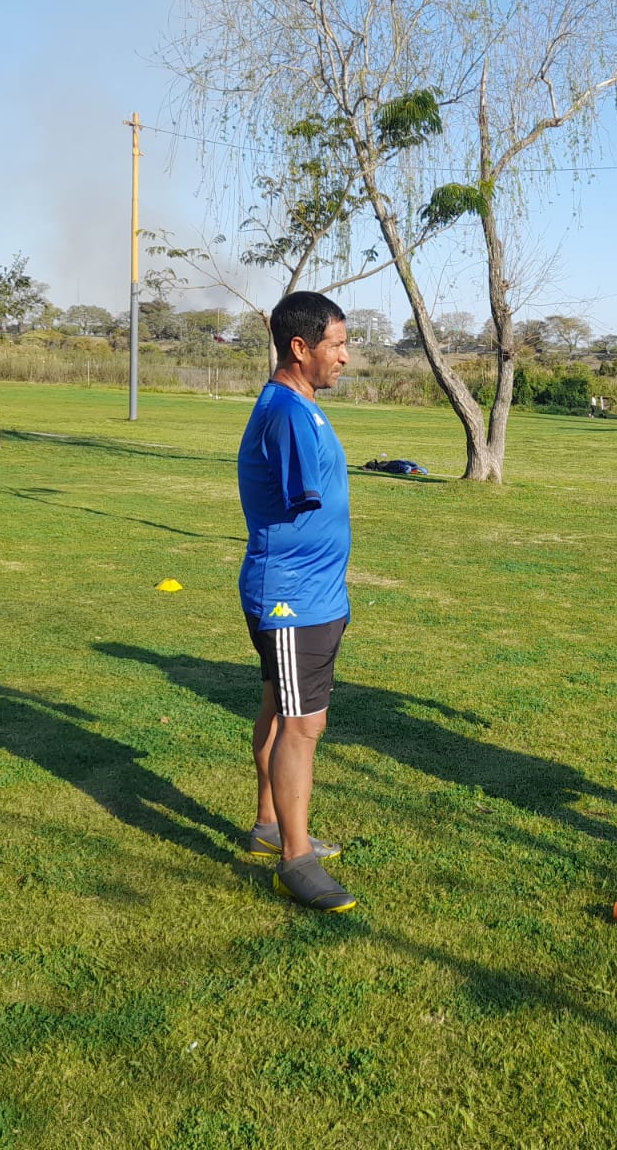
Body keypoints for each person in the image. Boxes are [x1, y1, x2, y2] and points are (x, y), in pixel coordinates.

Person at [237, 290, 356, 912]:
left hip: (312, 593)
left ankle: (269, 825)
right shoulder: (286, 412)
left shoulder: (300, 404)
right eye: (336, 345)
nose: (345, 357)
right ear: (299, 347)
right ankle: (294, 859)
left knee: (281, 710)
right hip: (291, 598)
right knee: (303, 723)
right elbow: (295, 498)